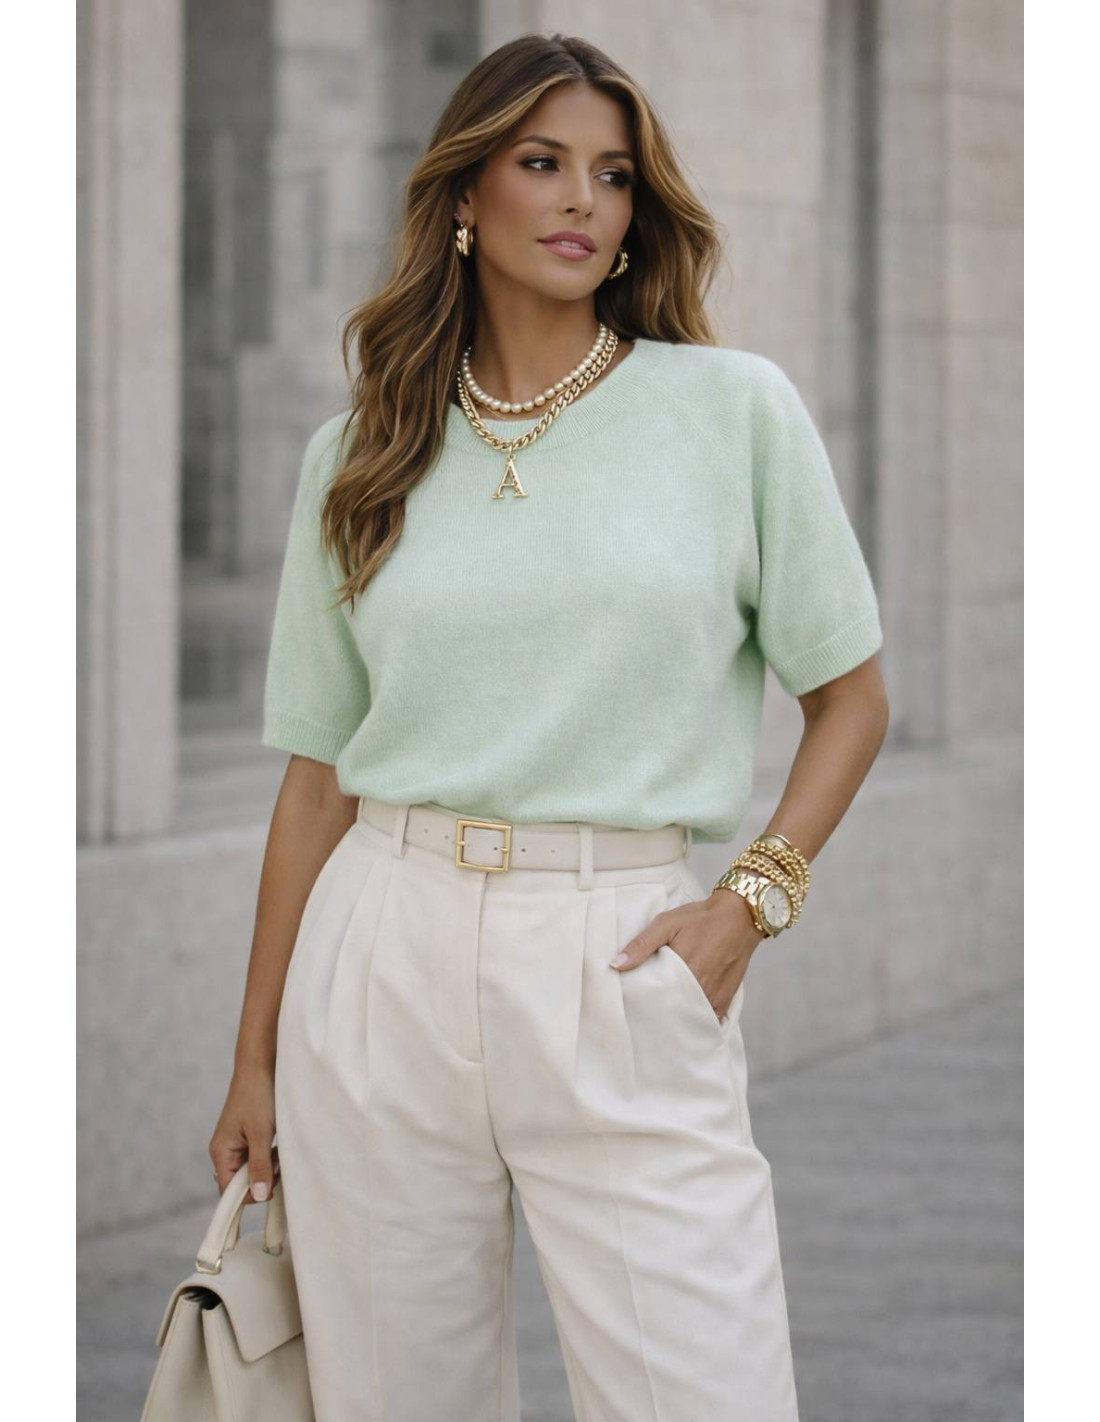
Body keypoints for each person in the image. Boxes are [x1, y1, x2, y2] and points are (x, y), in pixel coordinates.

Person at [208, 31, 889, 1422]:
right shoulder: (360, 454)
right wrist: (253, 1054)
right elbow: (316, 780)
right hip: (381, 952)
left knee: (704, 1391)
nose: (584, 199)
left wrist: (748, 903)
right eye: (542, 163)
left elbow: (852, 699)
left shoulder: (729, 413)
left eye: (614, 175)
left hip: (620, 949)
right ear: (466, 193)